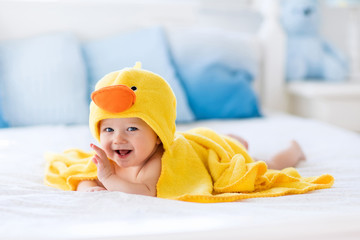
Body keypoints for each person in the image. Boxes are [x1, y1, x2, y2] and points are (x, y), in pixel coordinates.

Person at [44, 63, 333, 203]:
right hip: (198, 139)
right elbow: (82, 176)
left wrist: (106, 179)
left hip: (206, 152)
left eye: (132, 128)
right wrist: (89, 186)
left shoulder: (153, 163)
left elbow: (146, 192)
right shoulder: (107, 158)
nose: (118, 139)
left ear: (157, 134)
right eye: (108, 129)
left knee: (262, 167)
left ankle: (293, 149)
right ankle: (235, 137)